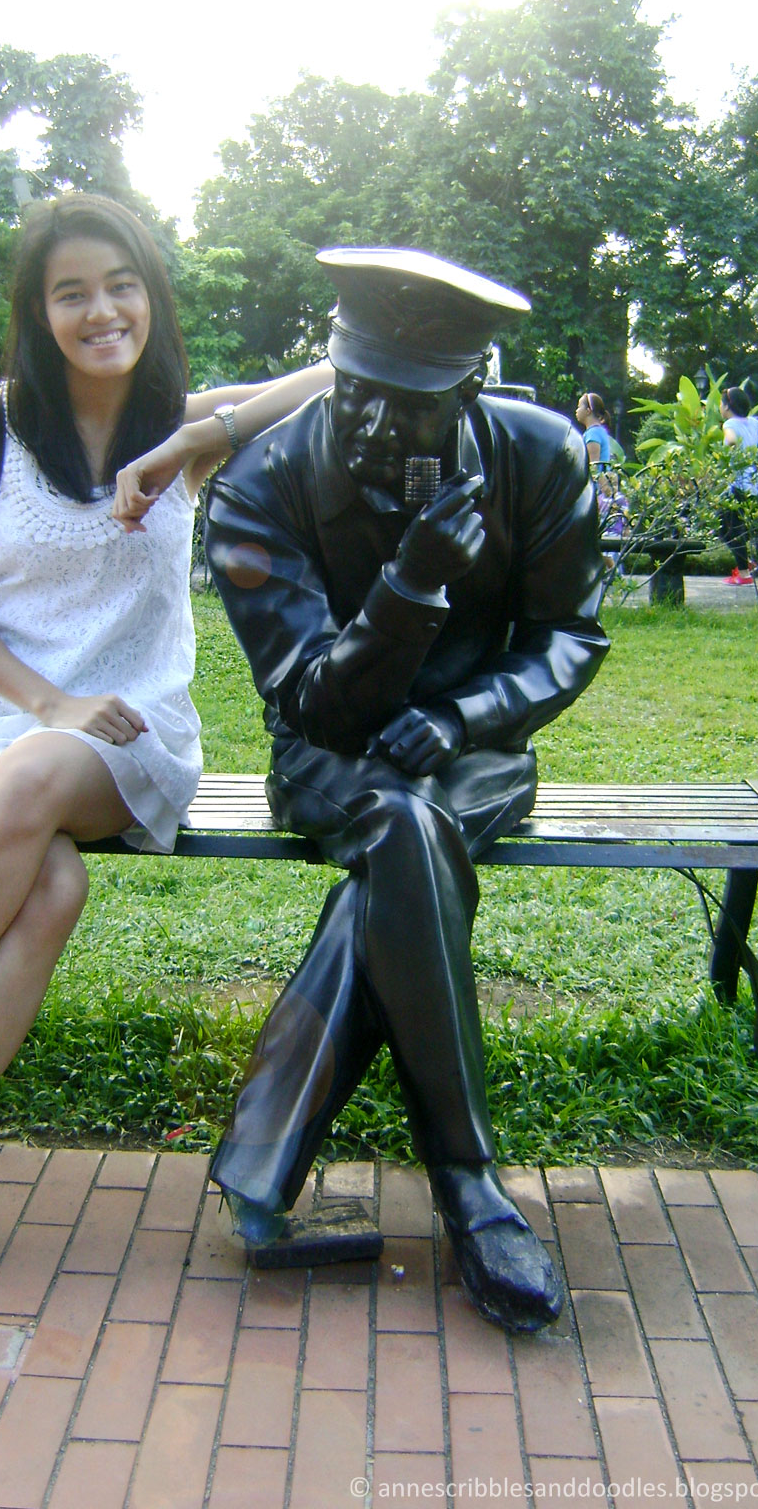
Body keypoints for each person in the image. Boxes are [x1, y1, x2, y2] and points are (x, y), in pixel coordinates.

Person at [0, 193, 331, 1311]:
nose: (102, 309)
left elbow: (342, 375)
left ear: (153, 295)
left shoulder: (185, 427)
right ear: (39, 313)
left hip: (132, 735)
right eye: (73, 291)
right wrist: (48, 698)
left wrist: (203, 436)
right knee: (47, 882)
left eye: (123, 283)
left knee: (39, 779)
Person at [200, 247, 609, 1334]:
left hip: (472, 750)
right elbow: (315, 700)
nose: (373, 426)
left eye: (409, 406)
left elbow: (572, 634)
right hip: (330, 752)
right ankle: (470, 1184)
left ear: (470, 393)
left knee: (409, 828)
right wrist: (412, 585)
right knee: (394, 817)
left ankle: (264, 1150)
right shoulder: (259, 484)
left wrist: (466, 714)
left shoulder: (538, 455)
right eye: (355, 392)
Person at [719, 386, 758, 585]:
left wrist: (729, 455)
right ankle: (746, 565)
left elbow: (729, 441)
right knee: (735, 528)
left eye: (722, 403)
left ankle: (744, 573)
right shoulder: (753, 423)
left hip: (736, 484)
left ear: (728, 406)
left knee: (725, 529)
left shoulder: (729, 423)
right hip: (752, 484)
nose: (720, 407)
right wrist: (755, 453)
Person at [575, 391, 619, 474]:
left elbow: (593, 468)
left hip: (596, 486)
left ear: (588, 411)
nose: (576, 410)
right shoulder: (598, 431)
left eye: (579, 407)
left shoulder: (593, 434)